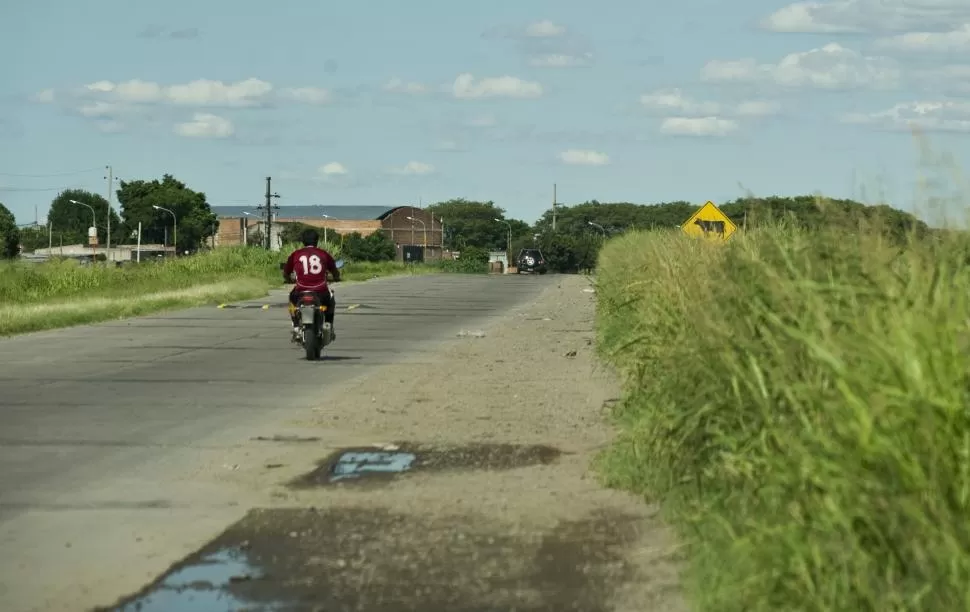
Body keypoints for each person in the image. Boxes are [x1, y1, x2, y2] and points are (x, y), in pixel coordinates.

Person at [282, 228, 340, 343]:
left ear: (303, 241)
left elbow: (286, 272)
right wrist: (337, 277)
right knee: (331, 299)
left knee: (291, 299)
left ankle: (296, 326)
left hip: (301, 291)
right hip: (321, 292)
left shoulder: (295, 254)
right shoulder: (324, 254)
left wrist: (288, 279)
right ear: (317, 241)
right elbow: (334, 270)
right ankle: (328, 325)